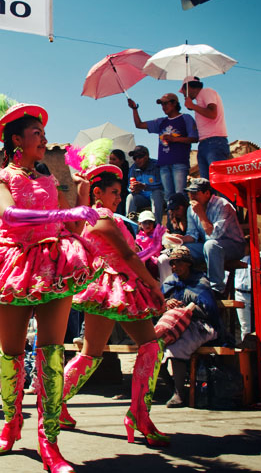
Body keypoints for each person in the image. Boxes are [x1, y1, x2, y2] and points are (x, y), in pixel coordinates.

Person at [0, 98, 100, 473]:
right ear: (17, 141)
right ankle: (11, 425)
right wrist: (64, 210)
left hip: (55, 261)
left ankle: (50, 441)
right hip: (14, 262)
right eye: (36, 133)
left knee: (51, 353)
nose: (44, 139)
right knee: (10, 353)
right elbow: (9, 215)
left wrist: (82, 195)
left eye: (43, 133)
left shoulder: (47, 179)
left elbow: (72, 228)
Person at [62, 138, 169, 447]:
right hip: (116, 285)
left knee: (91, 354)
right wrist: (154, 286)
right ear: (97, 192)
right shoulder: (103, 217)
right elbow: (129, 256)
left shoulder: (88, 219)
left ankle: (53, 405)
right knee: (150, 346)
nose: (118, 198)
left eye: (119, 194)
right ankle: (138, 414)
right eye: (114, 193)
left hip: (103, 288)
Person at [158, 246, 220, 408]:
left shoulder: (200, 282)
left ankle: (179, 395)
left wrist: (187, 308)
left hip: (200, 325)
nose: (174, 267)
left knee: (176, 347)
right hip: (174, 325)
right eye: (172, 263)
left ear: (188, 264)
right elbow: (157, 304)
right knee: (152, 349)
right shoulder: (171, 282)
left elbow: (209, 311)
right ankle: (175, 388)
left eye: (179, 263)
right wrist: (167, 303)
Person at [179, 178, 246, 296]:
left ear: (207, 193)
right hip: (208, 246)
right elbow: (192, 235)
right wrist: (179, 240)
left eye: (195, 193)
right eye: (191, 193)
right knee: (182, 250)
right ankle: (188, 286)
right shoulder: (191, 209)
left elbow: (214, 235)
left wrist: (201, 214)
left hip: (233, 246)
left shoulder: (223, 205)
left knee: (211, 245)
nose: (192, 197)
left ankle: (217, 289)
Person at [128, 93, 197, 200]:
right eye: (161, 104)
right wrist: (134, 109)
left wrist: (175, 139)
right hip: (164, 164)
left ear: (174, 103)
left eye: (165, 103)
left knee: (180, 194)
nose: (163, 107)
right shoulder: (161, 121)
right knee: (168, 196)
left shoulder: (185, 118)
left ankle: (183, 217)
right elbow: (139, 125)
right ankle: (171, 217)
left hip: (179, 162)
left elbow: (194, 138)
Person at [180, 76, 230, 179]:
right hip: (205, 144)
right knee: (207, 185)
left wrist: (193, 106)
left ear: (188, 87)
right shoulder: (199, 100)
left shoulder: (206, 92)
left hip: (214, 142)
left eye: (184, 91)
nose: (184, 94)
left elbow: (212, 113)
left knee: (218, 181)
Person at [126, 145, 165, 224]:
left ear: (147, 156)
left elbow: (163, 185)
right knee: (130, 197)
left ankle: (157, 226)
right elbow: (128, 186)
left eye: (139, 157)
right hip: (143, 198)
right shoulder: (133, 168)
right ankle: (130, 226)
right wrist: (132, 189)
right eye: (134, 158)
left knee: (156, 194)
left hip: (159, 198)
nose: (137, 160)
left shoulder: (157, 165)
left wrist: (145, 187)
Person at [109, 149, 130, 215]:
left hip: (123, 196)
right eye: (110, 159)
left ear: (121, 161)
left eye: (114, 159)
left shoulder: (127, 173)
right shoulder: (108, 173)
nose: (111, 162)